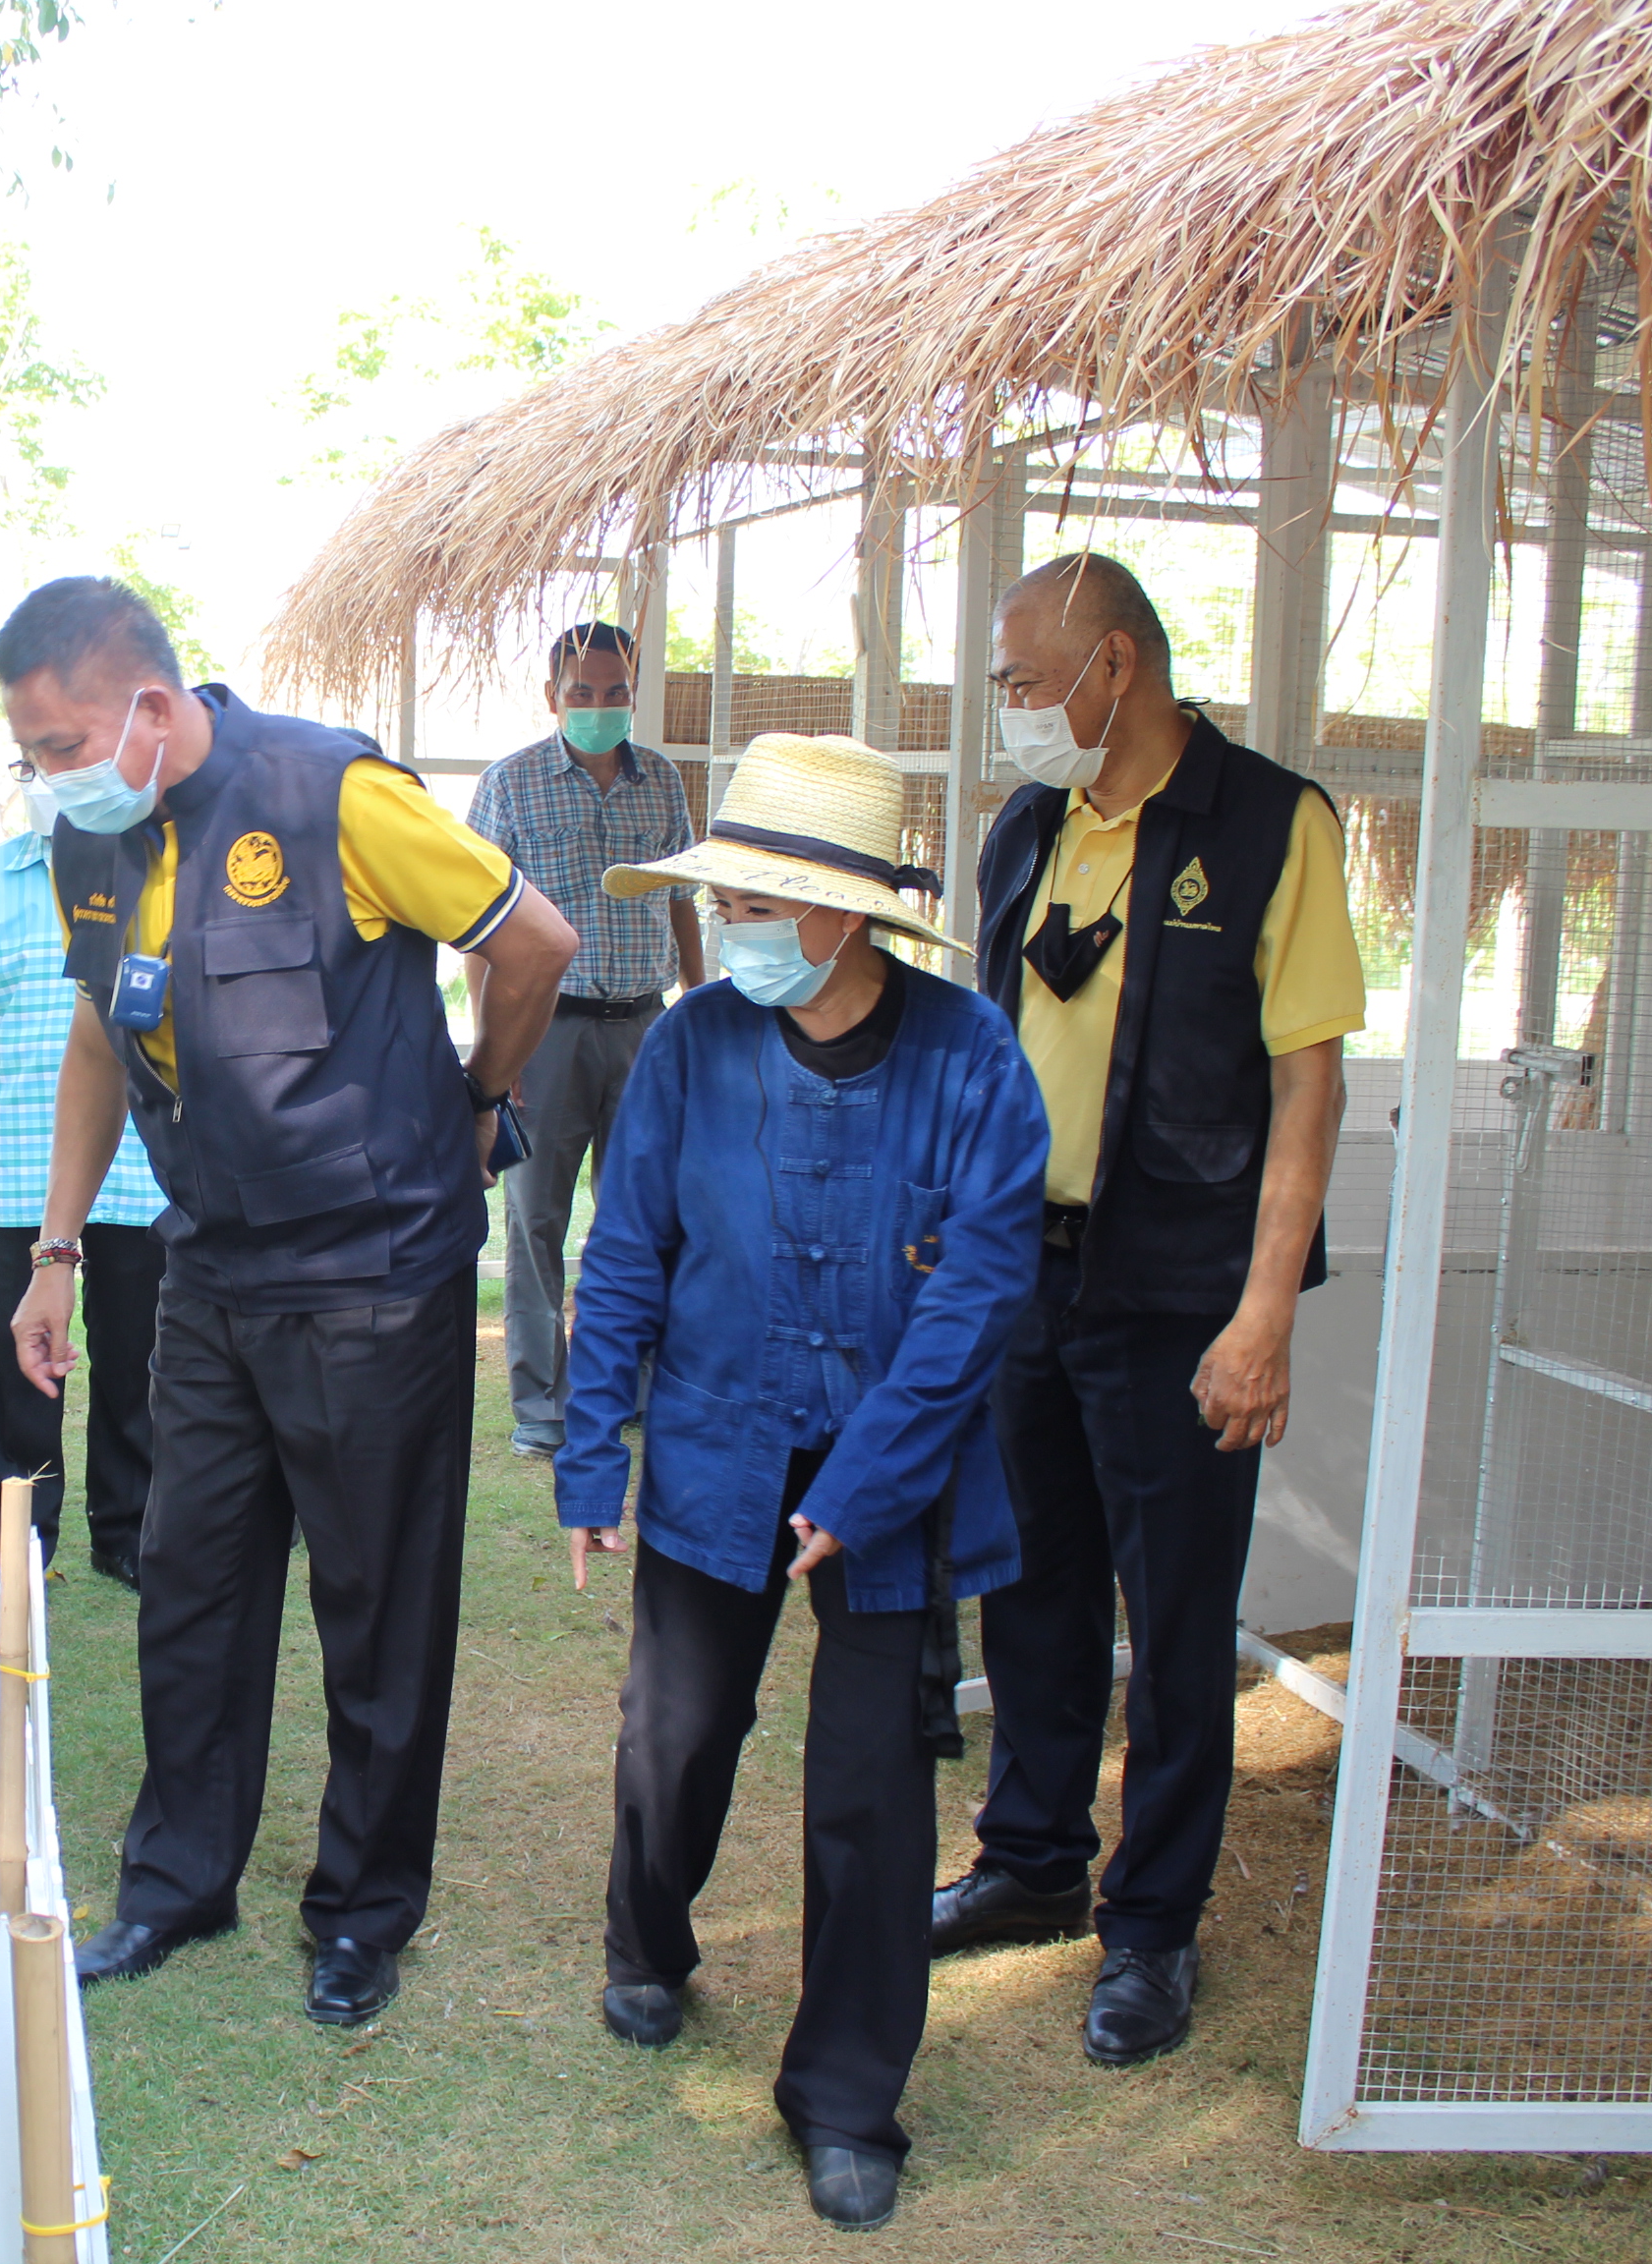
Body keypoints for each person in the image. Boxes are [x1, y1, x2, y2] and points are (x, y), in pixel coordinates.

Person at [0, 576, 579, 2028]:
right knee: (188, 1587)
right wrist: (55, 1252)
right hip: (212, 1266)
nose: (47, 775)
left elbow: (536, 943)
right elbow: (92, 1038)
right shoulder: (94, 847)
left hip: (374, 1273)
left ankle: (362, 1914)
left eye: (60, 743)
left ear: (147, 704)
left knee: (376, 1603)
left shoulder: (334, 795)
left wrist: (479, 1101)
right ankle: (176, 1887)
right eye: (28, 753)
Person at [558, 733, 1045, 2234]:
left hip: (894, 1481)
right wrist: (591, 1451)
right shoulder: (693, 1044)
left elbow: (975, 1299)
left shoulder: (974, 1062)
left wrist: (873, 1482)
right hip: (716, 1438)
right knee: (678, 1729)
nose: (744, 929)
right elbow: (626, 1249)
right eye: (739, 902)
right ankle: (650, 1944)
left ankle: (847, 2095)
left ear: (846, 915)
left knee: (872, 1790)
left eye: (769, 904)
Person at [935, 552, 1360, 2070]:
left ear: (1116, 665)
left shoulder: (1270, 825)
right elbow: (994, 1046)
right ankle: (1034, 1860)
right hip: (1028, 1276)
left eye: (1026, 677)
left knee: (1173, 1620)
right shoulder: (1031, 828)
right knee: (1030, 1580)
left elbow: (1309, 1081)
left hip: (1182, 1289)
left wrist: (1264, 1317)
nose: (1013, 707)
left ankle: (1153, 1927)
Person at [465, 622, 704, 1460]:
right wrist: (502, 1051)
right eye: (582, 694)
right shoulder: (510, 785)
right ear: (552, 696)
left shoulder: (663, 782)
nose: (599, 707)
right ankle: (541, 1407)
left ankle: (630, 1385)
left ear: (632, 691)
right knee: (534, 1220)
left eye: (614, 693)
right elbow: (476, 931)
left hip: (643, 1025)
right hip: (545, 1032)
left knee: (640, 1214)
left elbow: (682, 901)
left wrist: (697, 1008)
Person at [0, 787, 170, 1585]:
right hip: (22, 1165)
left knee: (140, 1361)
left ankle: (128, 1533)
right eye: (27, 764)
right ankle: (20, 1537)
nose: (45, 781)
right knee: (19, 1364)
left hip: (138, 1163)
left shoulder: (153, 864)